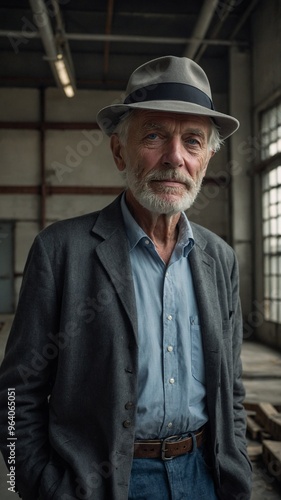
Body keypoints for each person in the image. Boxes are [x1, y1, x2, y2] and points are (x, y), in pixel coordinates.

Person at [0, 55, 252, 500]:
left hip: (205, 478)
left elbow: (230, 385)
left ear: (207, 160)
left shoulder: (221, 259)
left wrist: (237, 468)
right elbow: (15, 395)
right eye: (154, 135)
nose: (174, 158)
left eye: (193, 142)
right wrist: (30, 486)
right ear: (120, 150)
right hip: (99, 484)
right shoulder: (61, 250)